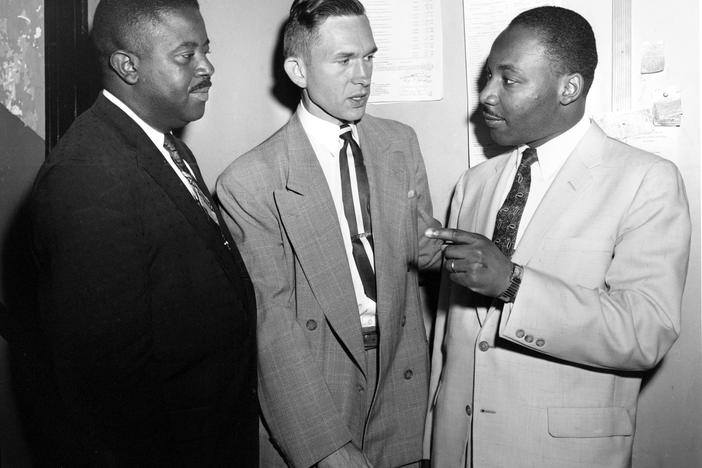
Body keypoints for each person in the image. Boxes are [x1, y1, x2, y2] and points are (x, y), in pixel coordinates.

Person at [424, 6, 691, 468]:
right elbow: (452, 334)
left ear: (569, 87)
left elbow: (647, 331)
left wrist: (513, 284)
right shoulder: (475, 183)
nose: (485, 95)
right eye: (488, 76)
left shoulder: (646, 179)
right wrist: (435, 441)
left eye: (508, 80)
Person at [29, 0, 257, 465]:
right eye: (185, 55)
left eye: (205, 50)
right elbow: (108, 393)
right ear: (127, 66)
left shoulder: (162, 141)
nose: (207, 66)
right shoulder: (87, 174)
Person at [216, 1, 443, 466]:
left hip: (401, 379)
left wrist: (446, 249)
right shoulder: (250, 180)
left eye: (369, 57)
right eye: (343, 60)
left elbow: (421, 259)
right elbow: (271, 324)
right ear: (298, 70)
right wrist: (325, 446)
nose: (363, 76)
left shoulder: (401, 144)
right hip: (317, 386)